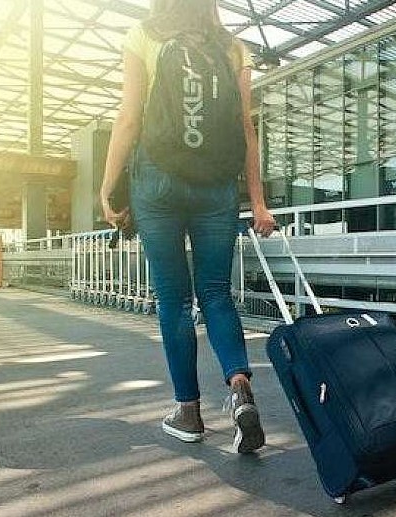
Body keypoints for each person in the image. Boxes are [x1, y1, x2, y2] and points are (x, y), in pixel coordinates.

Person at [99, 0, 276, 453]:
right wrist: (258, 202)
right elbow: (246, 128)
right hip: (217, 188)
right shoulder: (232, 47)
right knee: (216, 293)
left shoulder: (145, 34)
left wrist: (107, 186)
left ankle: (189, 411)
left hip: (157, 183)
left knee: (174, 300)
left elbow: (129, 117)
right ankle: (240, 389)